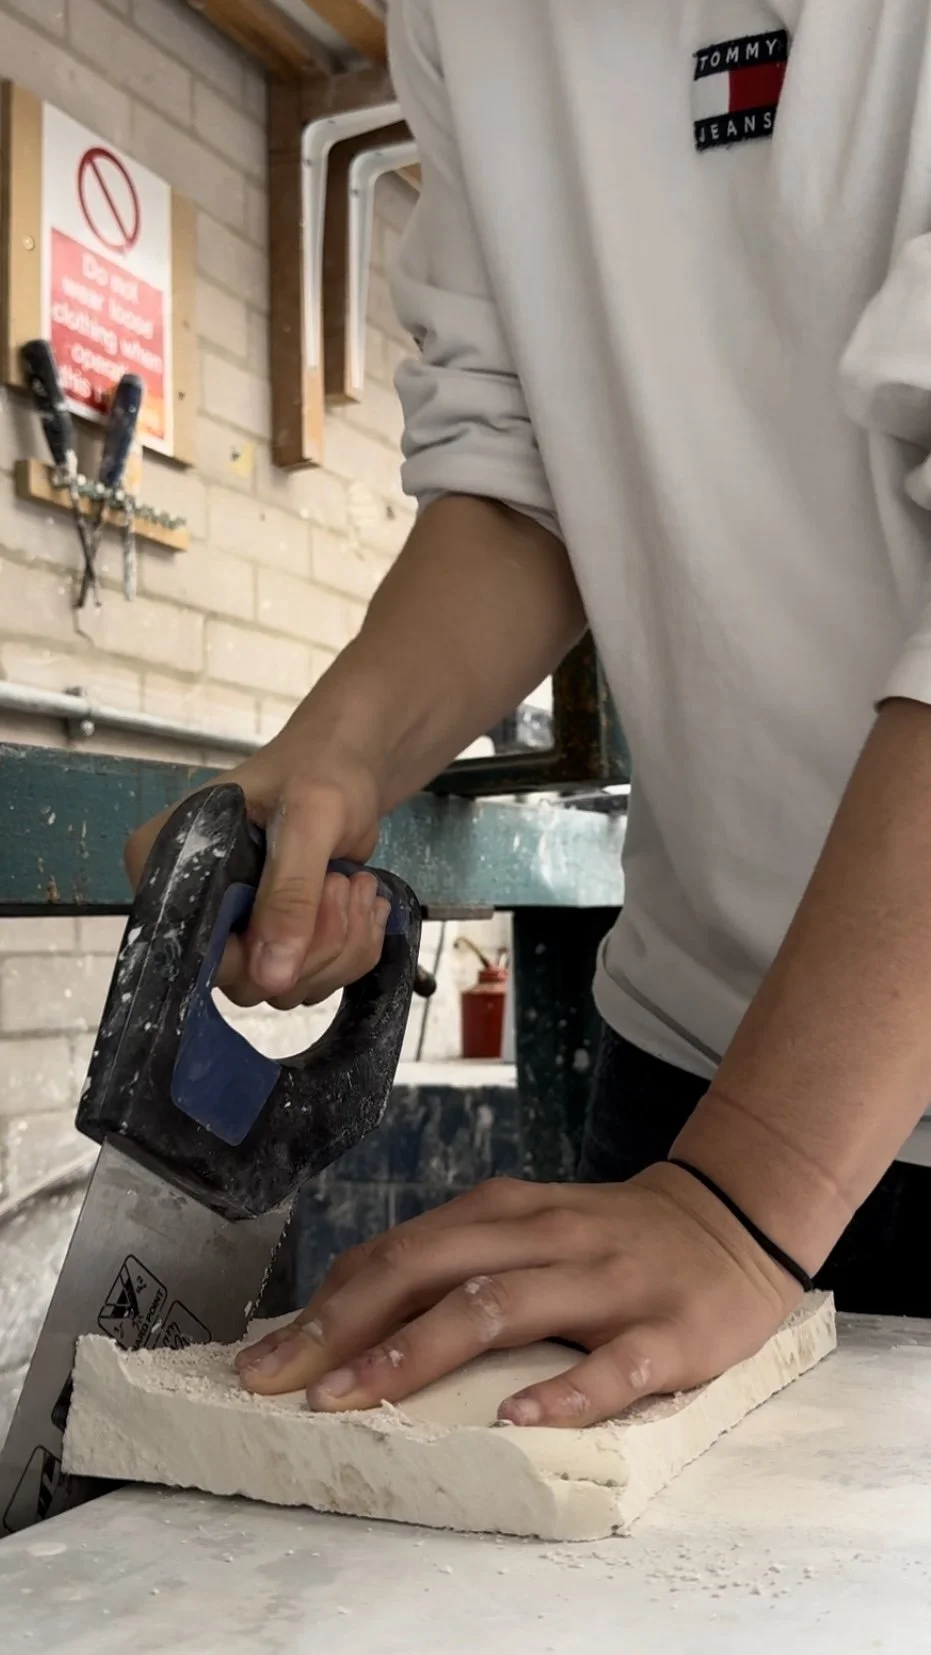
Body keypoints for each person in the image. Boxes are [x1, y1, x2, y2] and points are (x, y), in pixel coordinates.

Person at [126, 0, 931, 1429]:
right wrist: (343, 752)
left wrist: (750, 1190)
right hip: (697, 1059)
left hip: (753, 1155)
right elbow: (520, 471)